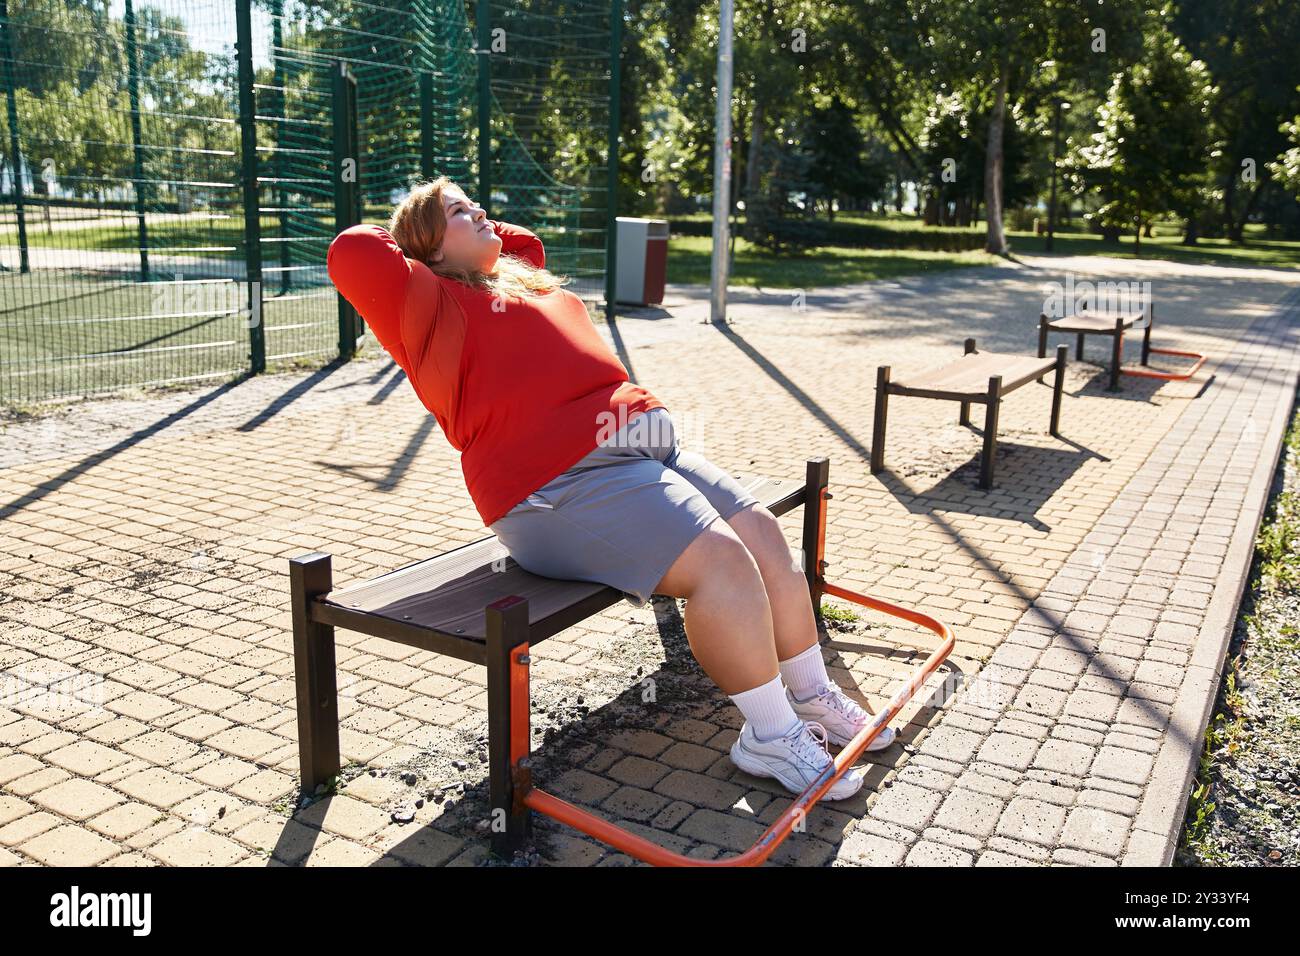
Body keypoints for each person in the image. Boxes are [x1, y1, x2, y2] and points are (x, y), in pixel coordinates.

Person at [325, 176, 896, 802]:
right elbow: (352, 250)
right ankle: (770, 734)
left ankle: (813, 697)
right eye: (460, 211)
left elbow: (526, 241)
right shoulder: (423, 303)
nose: (483, 211)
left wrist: (464, 224)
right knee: (722, 564)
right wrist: (423, 227)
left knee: (760, 532)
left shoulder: (519, 280)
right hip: (556, 487)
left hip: (651, 449)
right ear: (425, 249)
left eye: (478, 201)